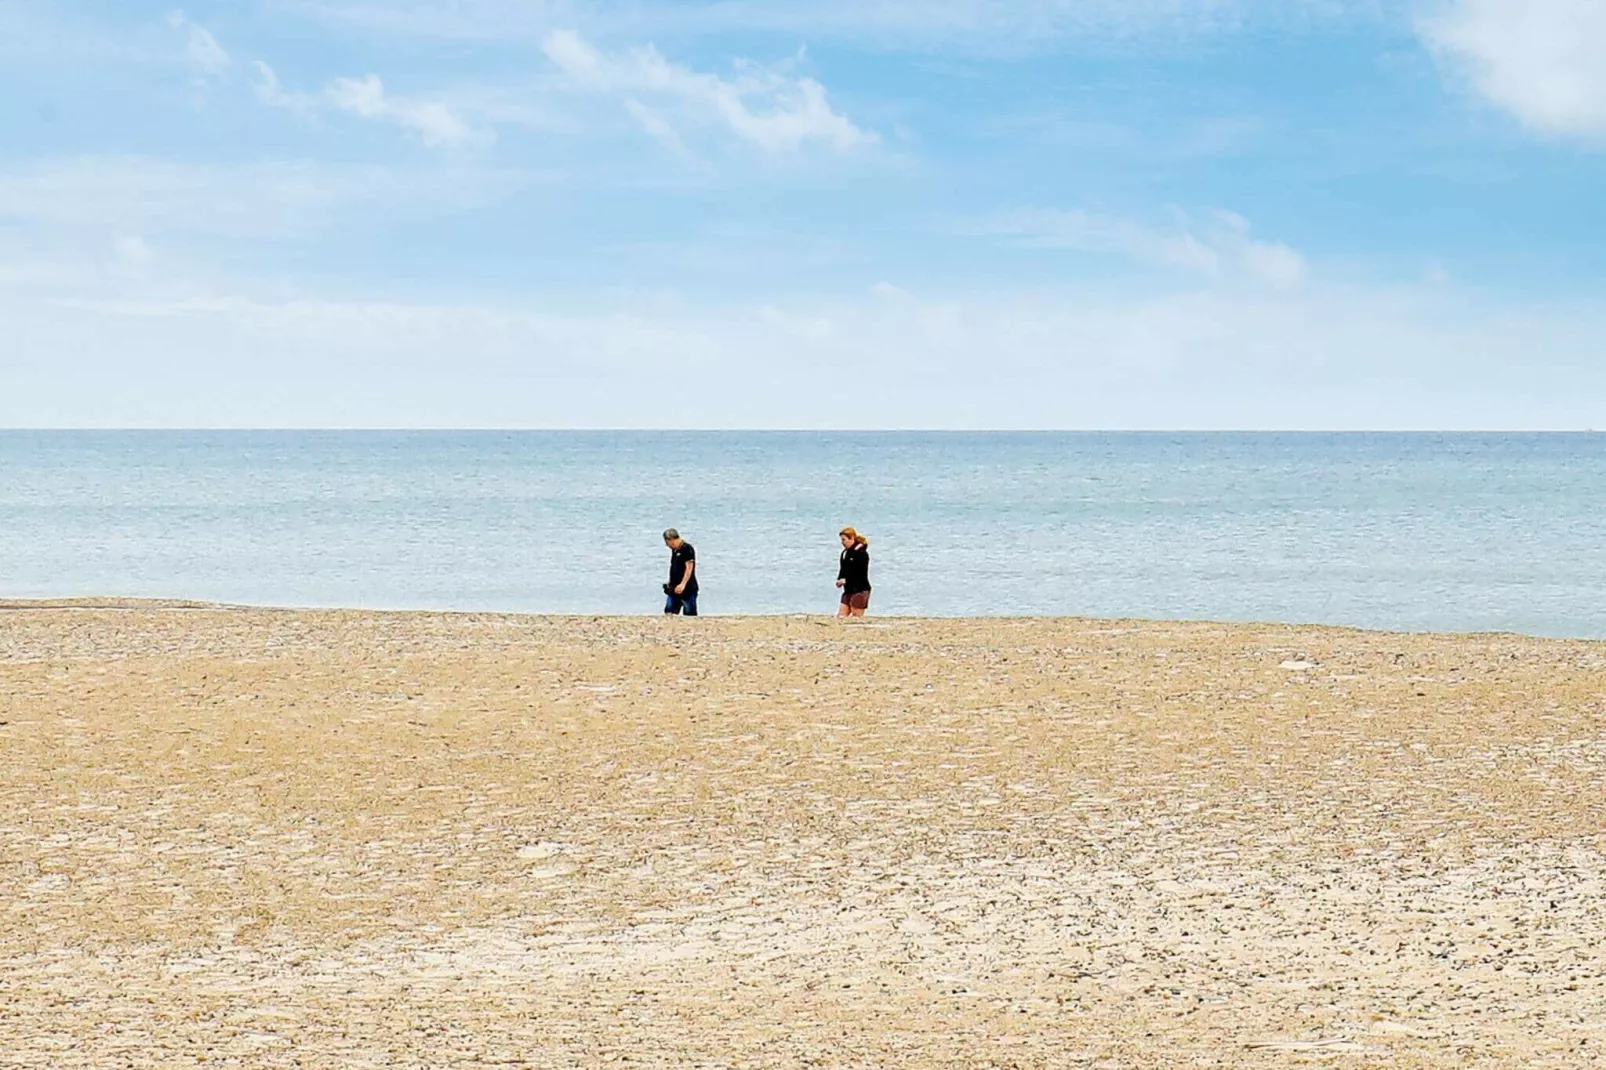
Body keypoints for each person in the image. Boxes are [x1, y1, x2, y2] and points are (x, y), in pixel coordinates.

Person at [662, 528, 698, 616]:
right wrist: (670, 582)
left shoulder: (687, 549)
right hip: (674, 587)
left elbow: (689, 568)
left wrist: (683, 584)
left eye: (667, 542)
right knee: (669, 611)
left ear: (671, 540)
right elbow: (675, 567)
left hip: (688, 588)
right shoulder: (675, 550)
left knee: (689, 613)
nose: (667, 545)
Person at [836, 526, 871, 617]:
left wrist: (847, 580)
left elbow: (861, 573)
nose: (842, 543)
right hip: (848, 590)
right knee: (841, 616)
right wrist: (839, 579)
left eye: (844, 540)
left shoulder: (861, 553)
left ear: (851, 538)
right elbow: (843, 569)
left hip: (860, 589)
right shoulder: (845, 553)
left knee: (856, 616)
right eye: (841, 540)